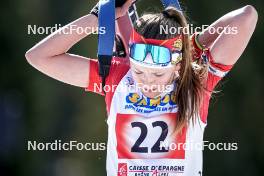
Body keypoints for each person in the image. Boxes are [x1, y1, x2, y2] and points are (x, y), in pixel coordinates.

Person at [25, 0, 258, 175]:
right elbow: (38, 57)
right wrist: (100, 18)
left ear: (177, 66)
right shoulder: (118, 79)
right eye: (138, 71)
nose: (147, 81)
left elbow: (247, 17)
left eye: (158, 73)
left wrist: (193, 47)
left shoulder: (194, 83)